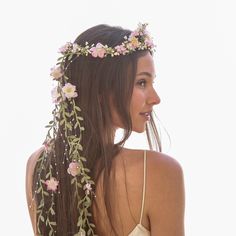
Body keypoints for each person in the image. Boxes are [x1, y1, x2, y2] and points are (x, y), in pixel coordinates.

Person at [26, 23, 185, 236]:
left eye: (151, 82)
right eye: (141, 83)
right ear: (101, 90)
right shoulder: (159, 172)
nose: (155, 99)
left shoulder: (39, 163)